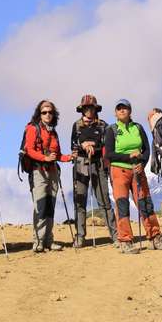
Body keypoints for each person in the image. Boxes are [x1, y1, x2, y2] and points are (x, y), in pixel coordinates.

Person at [104, 99, 162, 254]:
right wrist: (129, 156)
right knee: (122, 206)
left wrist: (142, 161)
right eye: (119, 108)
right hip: (119, 171)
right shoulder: (112, 130)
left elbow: (147, 149)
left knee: (145, 203)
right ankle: (125, 241)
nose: (122, 111)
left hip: (138, 171)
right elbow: (109, 154)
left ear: (130, 111)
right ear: (115, 112)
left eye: (125, 108)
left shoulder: (138, 127)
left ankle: (155, 237)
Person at [23, 100, 73, 253]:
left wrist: (68, 157)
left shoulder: (53, 132)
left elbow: (56, 155)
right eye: (44, 112)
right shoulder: (32, 128)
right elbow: (29, 150)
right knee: (41, 205)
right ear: (39, 114)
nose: (47, 114)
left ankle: (48, 240)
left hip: (52, 172)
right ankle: (38, 241)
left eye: (50, 112)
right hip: (38, 171)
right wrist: (45, 158)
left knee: (50, 205)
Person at [70, 95, 117, 248]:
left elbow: (107, 143)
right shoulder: (76, 125)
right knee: (80, 201)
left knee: (104, 200)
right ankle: (80, 237)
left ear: (96, 109)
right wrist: (83, 145)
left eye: (91, 108)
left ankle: (115, 234)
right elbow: (73, 144)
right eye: (86, 108)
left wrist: (93, 146)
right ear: (82, 109)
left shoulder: (104, 126)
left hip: (99, 164)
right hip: (80, 164)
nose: (89, 110)